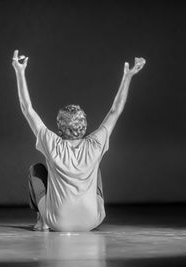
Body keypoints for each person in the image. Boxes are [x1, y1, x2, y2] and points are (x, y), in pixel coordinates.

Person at [12, 50, 146, 232]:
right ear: (84, 126)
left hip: (57, 222)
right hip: (92, 221)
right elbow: (116, 110)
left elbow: (27, 109)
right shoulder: (96, 144)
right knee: (95, 167)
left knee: (36, 170)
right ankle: (68, 216)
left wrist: (19, 72)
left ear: (59, 128)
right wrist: (128, 76)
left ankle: (41, 221)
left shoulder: (51, 142)